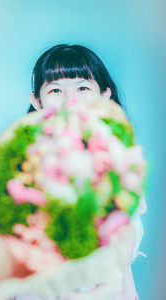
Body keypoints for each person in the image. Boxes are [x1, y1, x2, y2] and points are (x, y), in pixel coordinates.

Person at [25, 44, 146, 299]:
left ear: (104, 95)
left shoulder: (120, 158)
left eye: (83, 88)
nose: (71, 100)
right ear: (37, 101)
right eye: (56, 90)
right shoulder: (25, 161)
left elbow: (128, 241)